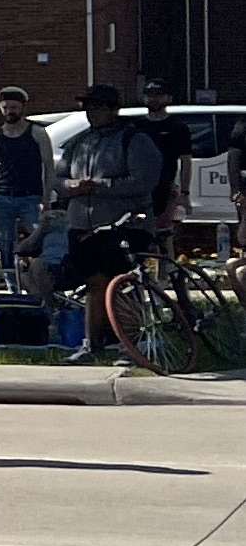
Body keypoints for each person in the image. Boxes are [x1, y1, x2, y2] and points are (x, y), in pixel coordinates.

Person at [48, 83, 165, 361]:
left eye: (99, 107)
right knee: (94, 284)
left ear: (114, 109)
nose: (92, 112)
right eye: (88, 107)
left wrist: (99, 185)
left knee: (122, 284)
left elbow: (145, 181)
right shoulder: (78, 142)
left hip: (125, 225)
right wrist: (70, 187)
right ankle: (92, 346)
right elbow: (57, 180)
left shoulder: (135, 140)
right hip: (83, 227)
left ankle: (134, 345)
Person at [0, 85, 54, 276]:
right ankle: (13, 289)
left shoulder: (37, 133)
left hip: (31, 196)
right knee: (5, 243)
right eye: (5, 108)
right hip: (2, 197)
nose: (9, 112)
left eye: (13, 107)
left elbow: (49, 168)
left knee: (38, 238)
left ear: (22, 108)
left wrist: (46, 199)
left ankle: (42, 278)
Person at [137, 79, 193, 226]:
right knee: (139, 231)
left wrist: (185, 193)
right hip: (138, 189)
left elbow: (186, 161)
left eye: (159, 95)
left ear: (169, 98)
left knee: (164, 232)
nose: (154, 99)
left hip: (165, 188)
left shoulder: (177, 127)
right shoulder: (136, 127)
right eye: (150, 95)